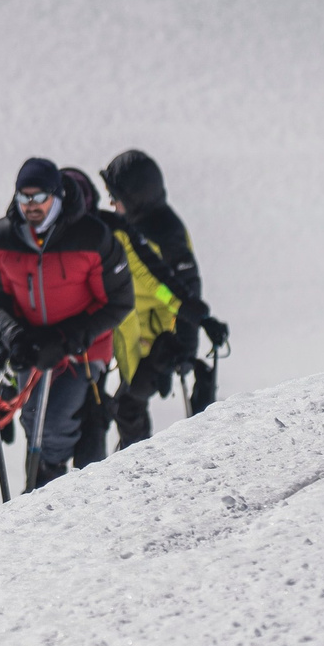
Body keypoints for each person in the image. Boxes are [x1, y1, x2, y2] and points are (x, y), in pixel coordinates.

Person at [0, 158, 130, 489]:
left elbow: (119, 301)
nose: (31, 205)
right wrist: (15, 337)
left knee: (54, 421)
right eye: (24, 197)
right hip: (32, 344)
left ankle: (51, 484)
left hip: (83, 349)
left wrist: (67, 338)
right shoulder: (0, 238)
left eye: (39, 197)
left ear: (57, 195)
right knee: (33, 418)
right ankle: (41, 486)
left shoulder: (92, 237)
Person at [96, 149, 229, 449]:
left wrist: (186, 348)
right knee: (125, 405)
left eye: (115, 196)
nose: (111, 204)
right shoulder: (127, 228)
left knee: (128, 403)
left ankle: (138, 460)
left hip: (159, 340)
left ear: (134, 197)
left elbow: (185, 290)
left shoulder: (166, 233)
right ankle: (132, 457)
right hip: (133, 332)